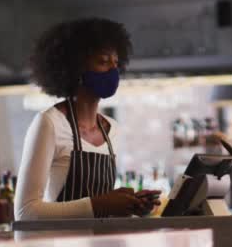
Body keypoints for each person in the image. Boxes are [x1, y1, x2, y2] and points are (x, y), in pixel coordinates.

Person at [15, 17, 160, 220]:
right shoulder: (50, 123)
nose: (113, 70)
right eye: (103, 61)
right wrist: (101, 204)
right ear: (76, 67)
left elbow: (99, 213)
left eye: (116, 63)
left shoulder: (112, 130)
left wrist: (129, 206)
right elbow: (26, 212)